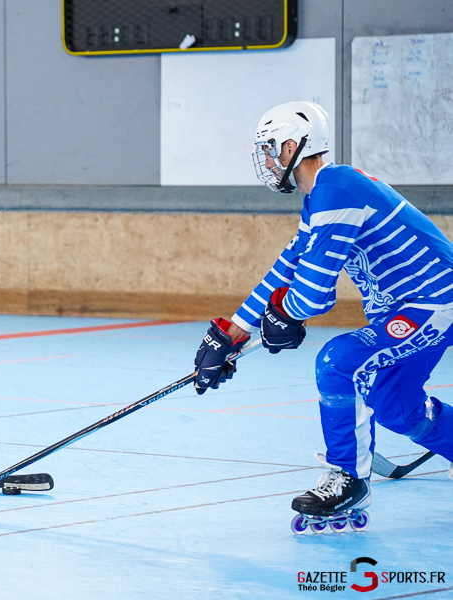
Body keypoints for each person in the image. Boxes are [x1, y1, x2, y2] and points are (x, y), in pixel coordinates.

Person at [192, 101, 453, 532]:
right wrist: (233, 332)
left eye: (271, 149)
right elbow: (290, 267)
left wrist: (284, 314)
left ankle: (347, 477)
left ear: (294, 145)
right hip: (411, 309)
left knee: (339, 361)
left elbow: (312, 296)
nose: (269, 161)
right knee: (396, 408)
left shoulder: (338, 189)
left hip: (433, 303)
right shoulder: (322, 198)